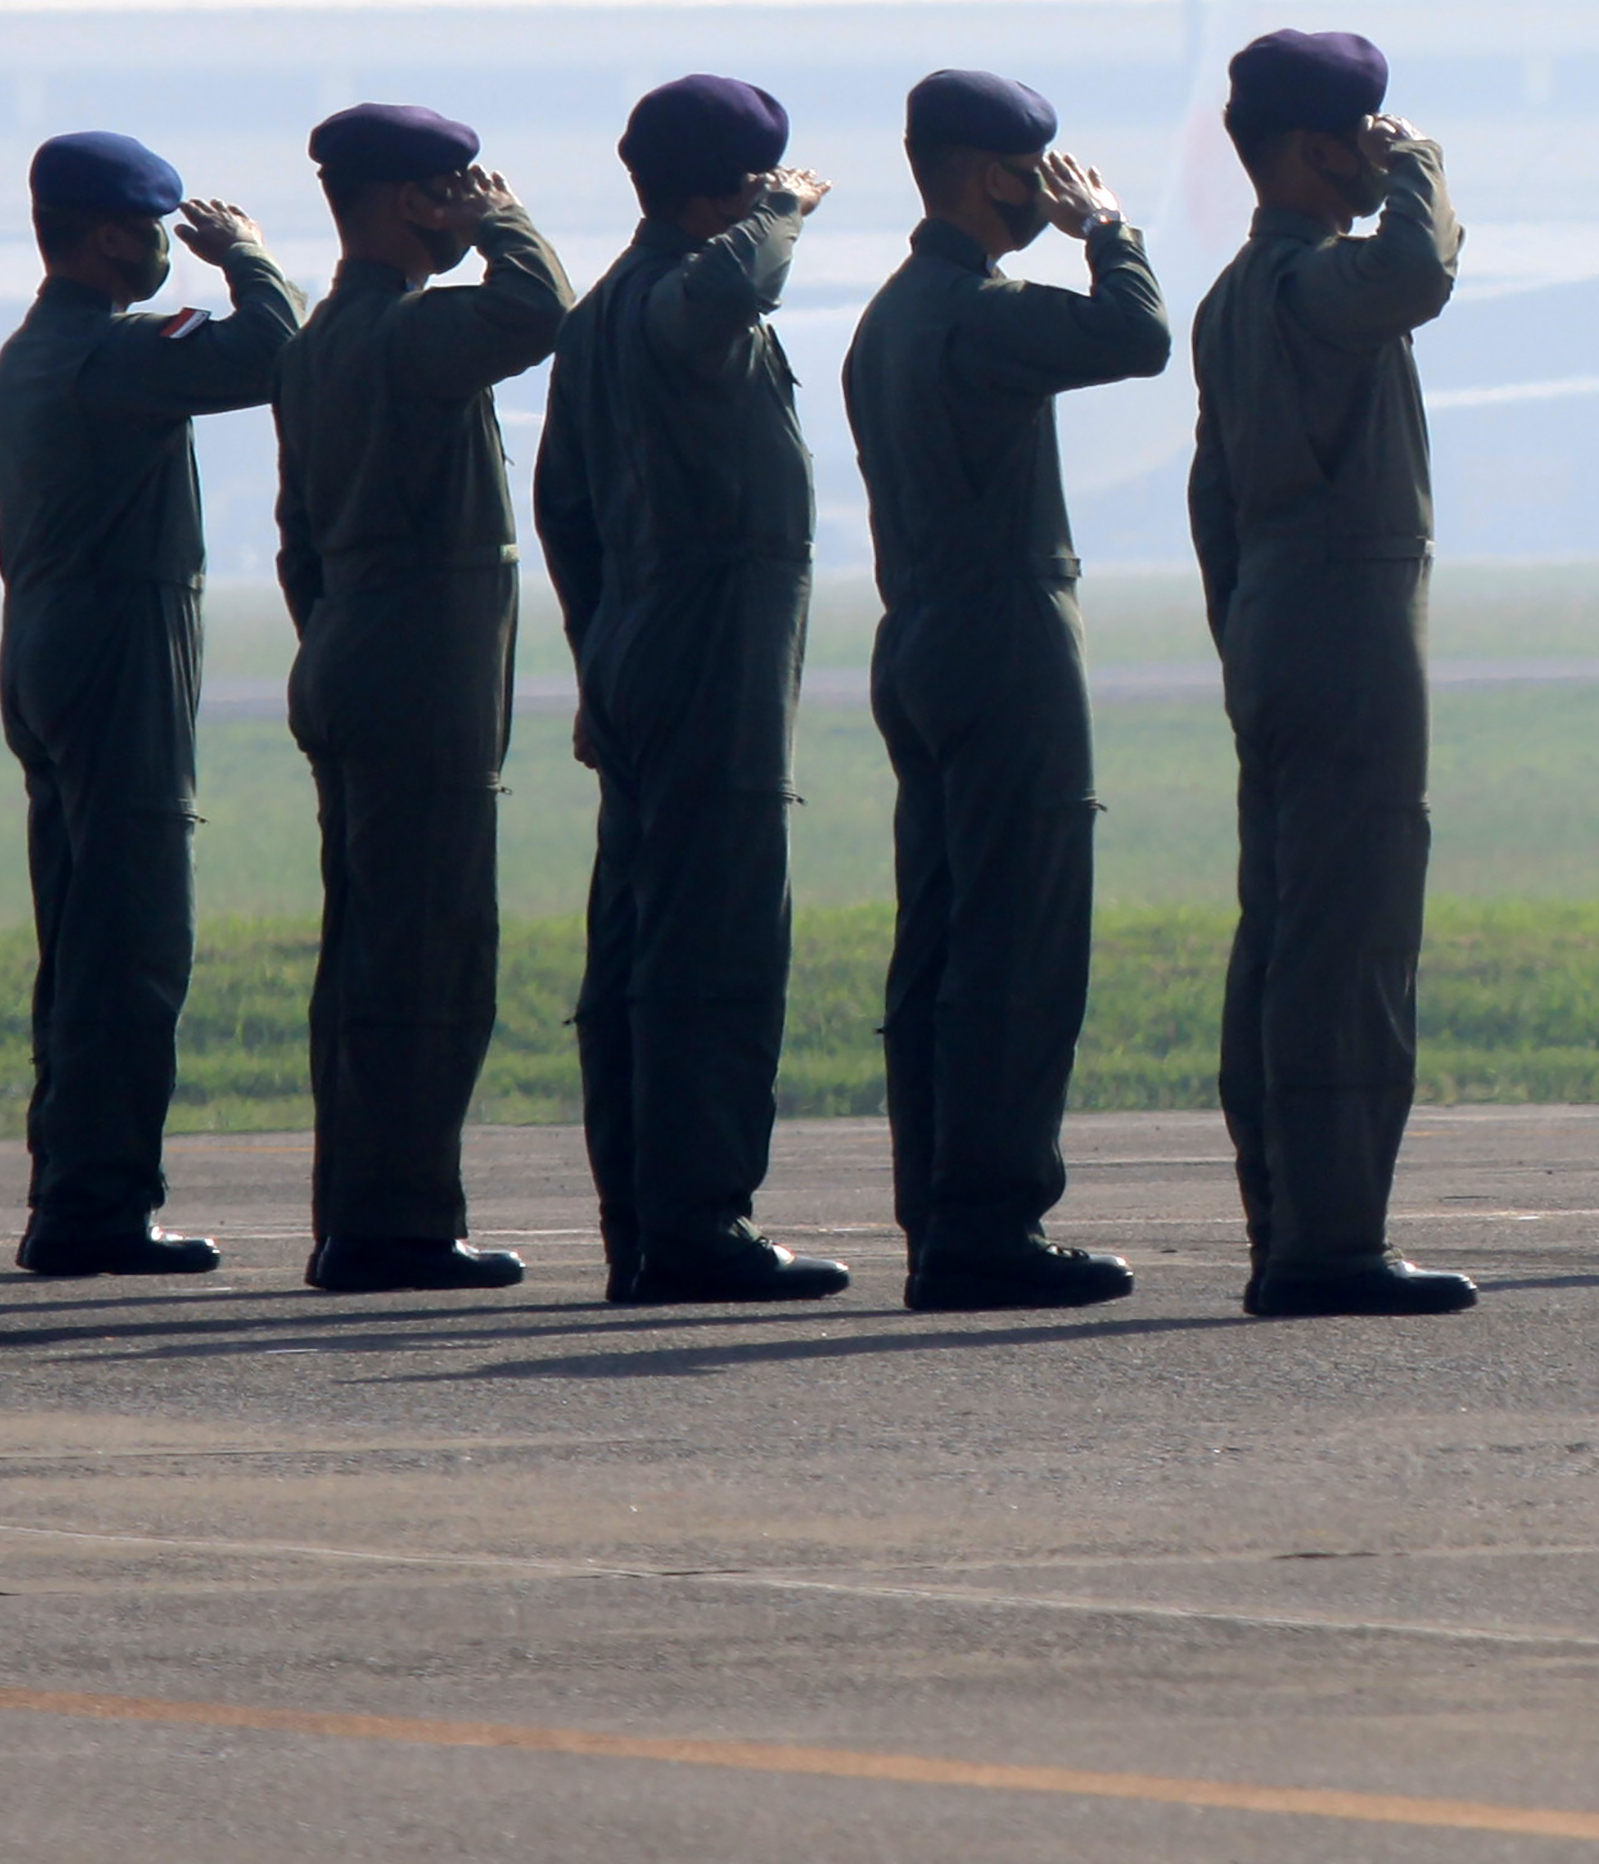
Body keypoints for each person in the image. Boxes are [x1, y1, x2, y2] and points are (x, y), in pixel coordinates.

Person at [844, 68, 1171, 1312]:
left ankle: (941, 1214)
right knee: (1020, 943)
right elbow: (1137, 340)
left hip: (919, 630)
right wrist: (1111, 233)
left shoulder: (891, 314)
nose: (1053, 187)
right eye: (1040, 170)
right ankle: (991, 1223)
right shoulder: (978, 312)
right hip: (1002, 635)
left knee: (937, 945)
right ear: (995, 175)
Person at [535, 76, 848, 1307]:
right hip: (711, 646)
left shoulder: (601, 312)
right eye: (764, 180)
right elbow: (730, 290)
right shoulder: (680, 296)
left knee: (637, 953)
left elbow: (566, 514)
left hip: (638, 640)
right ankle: (697, 1226)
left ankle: (647, 1222)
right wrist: (779, 219)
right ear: (727, 191)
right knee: (713, 943)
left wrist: (601, 656)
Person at [1188, 29, 1476, 1319]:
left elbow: (1213, 507)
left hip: (1272, 619)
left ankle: (1286, 1227)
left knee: (1285, 934)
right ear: (1318, 148)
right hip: (1348, 621)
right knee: (1349, 938)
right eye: (1366, 133)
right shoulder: (1316, 288)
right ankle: (1330, 1242)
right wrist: (1423, 170)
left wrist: (1246, 642)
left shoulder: (1230, 300)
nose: (1379, 151)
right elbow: (1417, 272)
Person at [0, 135, 301, 1276]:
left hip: (46, 643)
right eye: (161, 223)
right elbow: (277, 351)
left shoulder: (31, 352)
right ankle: (96, 1208)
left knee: (78, 934)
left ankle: (70, 1187)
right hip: (119, 644)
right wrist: (250, 257)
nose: (172, 240)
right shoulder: (112, 356)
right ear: (112, 232)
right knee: (133, 936)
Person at [274, 104, 573, 1292]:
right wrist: (504, 222)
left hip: (348, 646)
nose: (470, 199)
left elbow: (296, 543)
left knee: (365, 949)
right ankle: (394, 1227)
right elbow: (543, 311)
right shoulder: (409, 334)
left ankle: (360, 1209)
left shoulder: (316, 342)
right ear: (412, 202)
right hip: (416, 671)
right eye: (452, 186)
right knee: (426, 951)